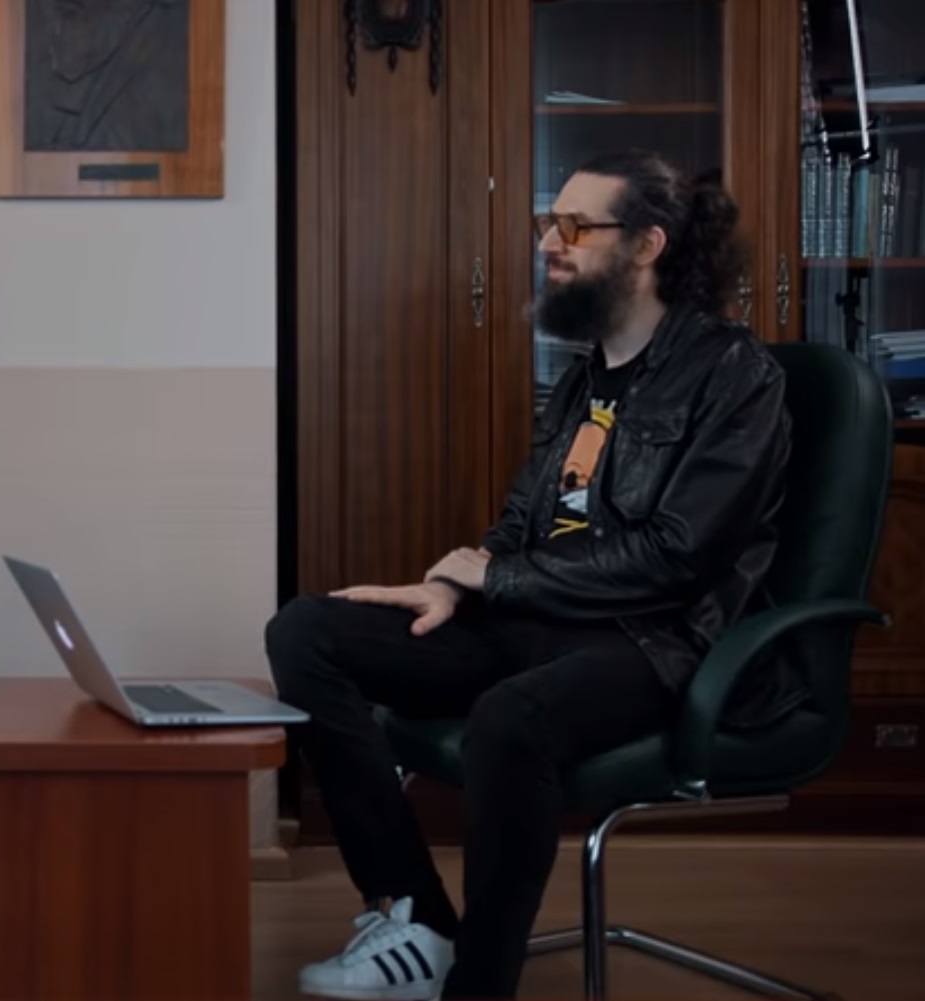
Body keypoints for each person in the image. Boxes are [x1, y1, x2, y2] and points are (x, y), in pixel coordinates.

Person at [265, 149, 793, 1001]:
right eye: (548, 222)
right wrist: (451, 586)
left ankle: (480, 983)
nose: (549, 240)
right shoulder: (582, 378)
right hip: (541, 615)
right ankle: (416, 921)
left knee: (508, 717)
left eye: (574, 226)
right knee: (306, 630)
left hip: (656, 640)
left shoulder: (733, 373)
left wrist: (500, 582)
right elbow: (521, 523)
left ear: (646, 245)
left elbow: (676, 555)